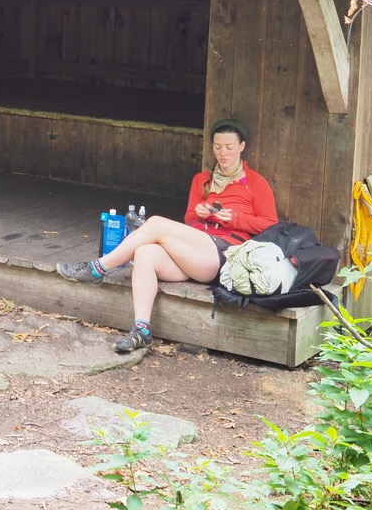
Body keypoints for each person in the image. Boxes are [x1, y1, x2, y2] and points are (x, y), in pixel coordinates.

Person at [55, 118, 278, 354]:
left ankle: (98, 269)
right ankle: (142, 330)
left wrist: (233, 219)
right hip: (195, 253)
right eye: (217, 147)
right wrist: (199, 214)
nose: (222, 153)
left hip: (223, 255)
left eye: (229, 148)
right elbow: (190, 218)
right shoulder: (201, 180)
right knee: (145, 253)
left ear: (242, 146)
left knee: (155, 224)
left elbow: (270, 224)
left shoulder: (255, 183)